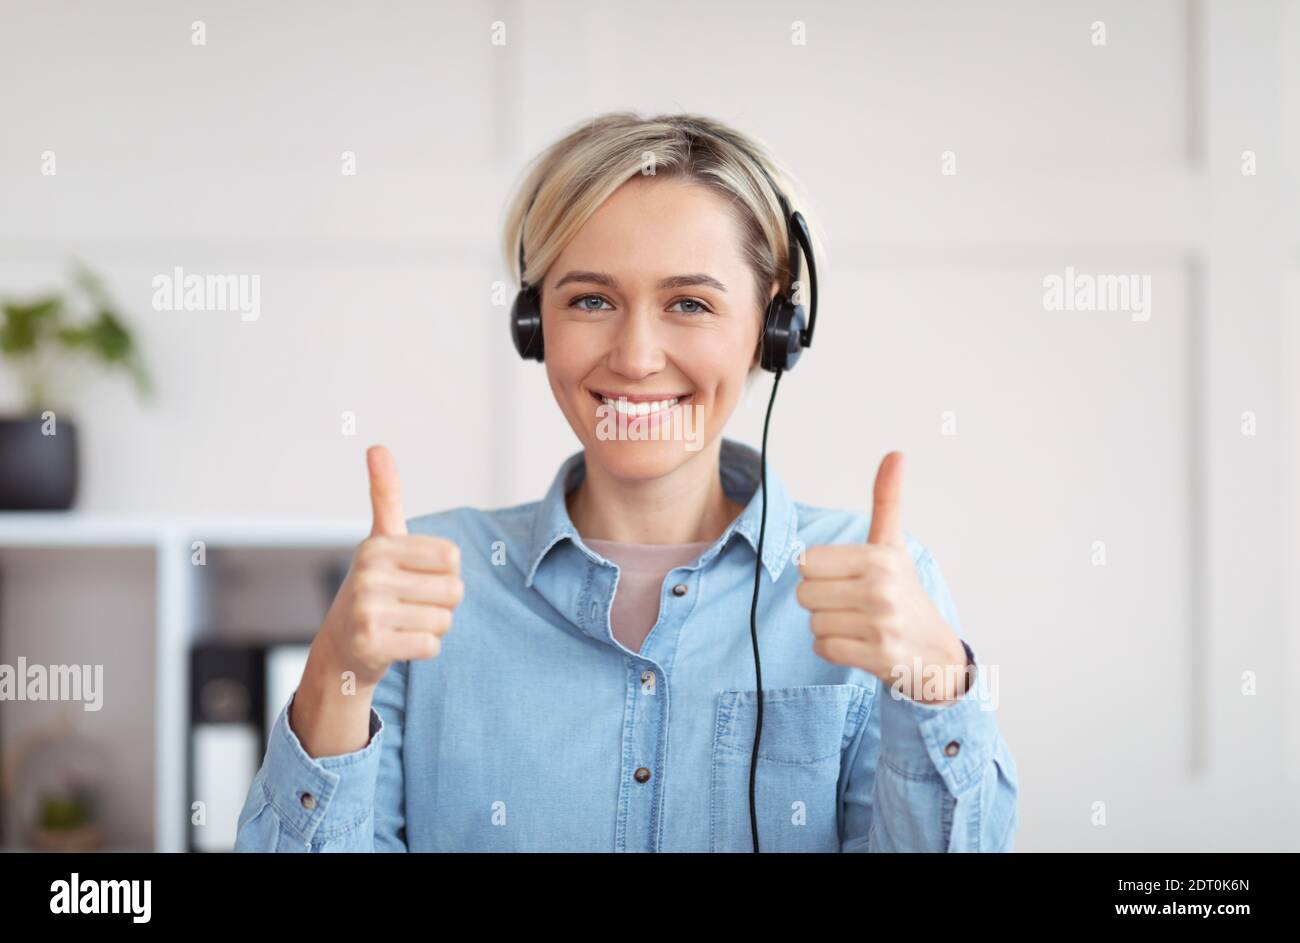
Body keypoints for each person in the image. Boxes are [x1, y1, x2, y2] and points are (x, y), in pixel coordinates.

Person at [235, 111, 1018, 852]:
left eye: (689, 302)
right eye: (592, 299)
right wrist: (336, 670)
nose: (637, 356)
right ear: (533, 324)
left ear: (776, 333)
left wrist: (939, 689)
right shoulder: (430, 573)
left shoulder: (877, 583)